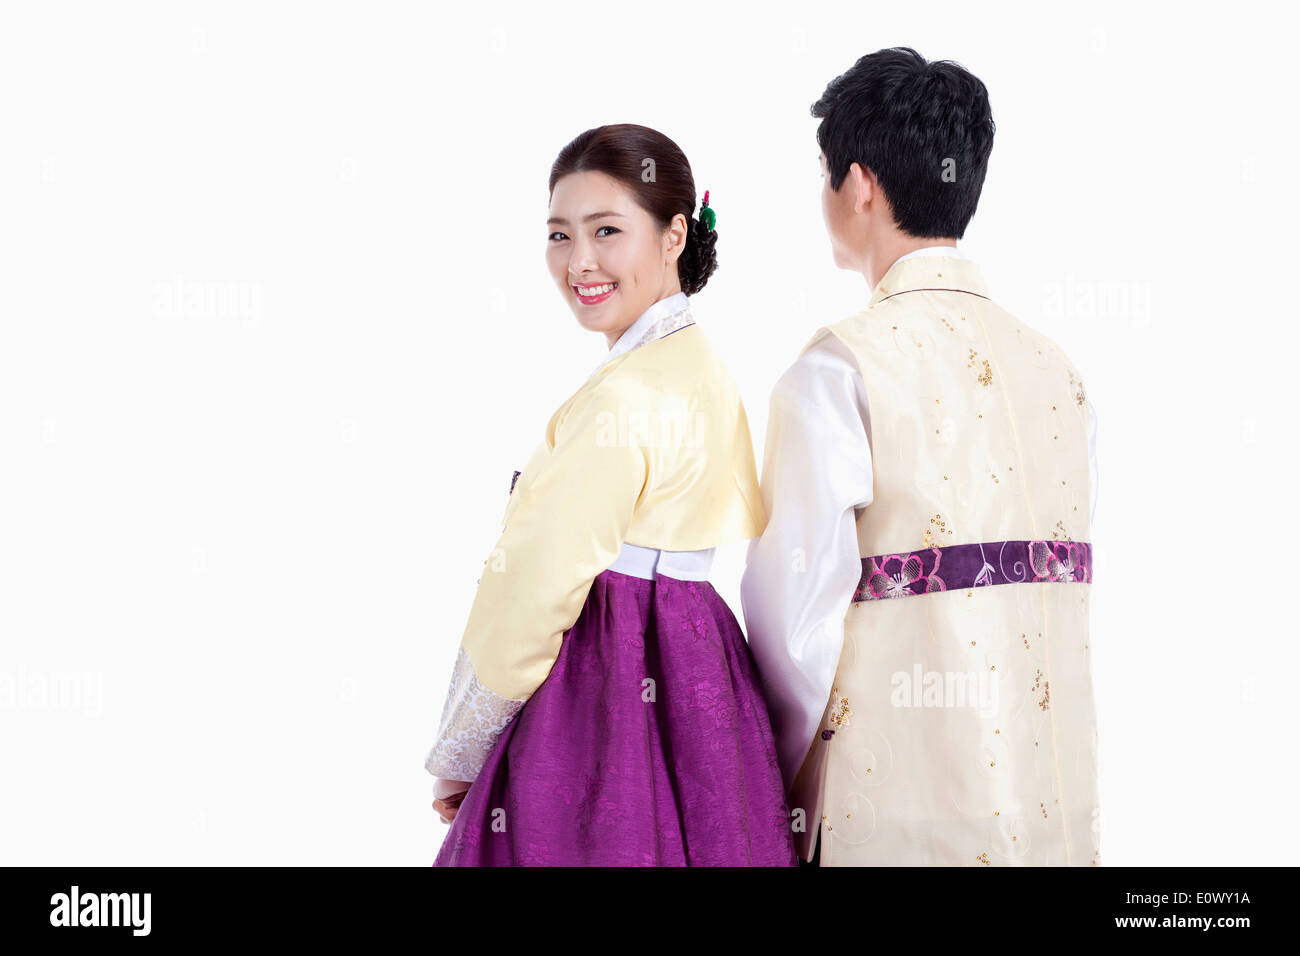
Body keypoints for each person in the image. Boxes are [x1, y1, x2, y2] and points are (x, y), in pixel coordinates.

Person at [741, 48, 1102, 866]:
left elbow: (794, 634)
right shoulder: (1061, 373)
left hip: (894, 823)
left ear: (859, 184)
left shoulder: (837, 370)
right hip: (1057, 815)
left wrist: (770, 792)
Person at [424, 123, 797, 867]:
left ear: (673, 236)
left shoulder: (624, 397)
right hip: (702, 670)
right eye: (560, 235)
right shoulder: (703, 367)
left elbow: (531, 589)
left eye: (606, 231)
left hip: (605, 674)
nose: (580, 262)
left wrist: (461, 746)